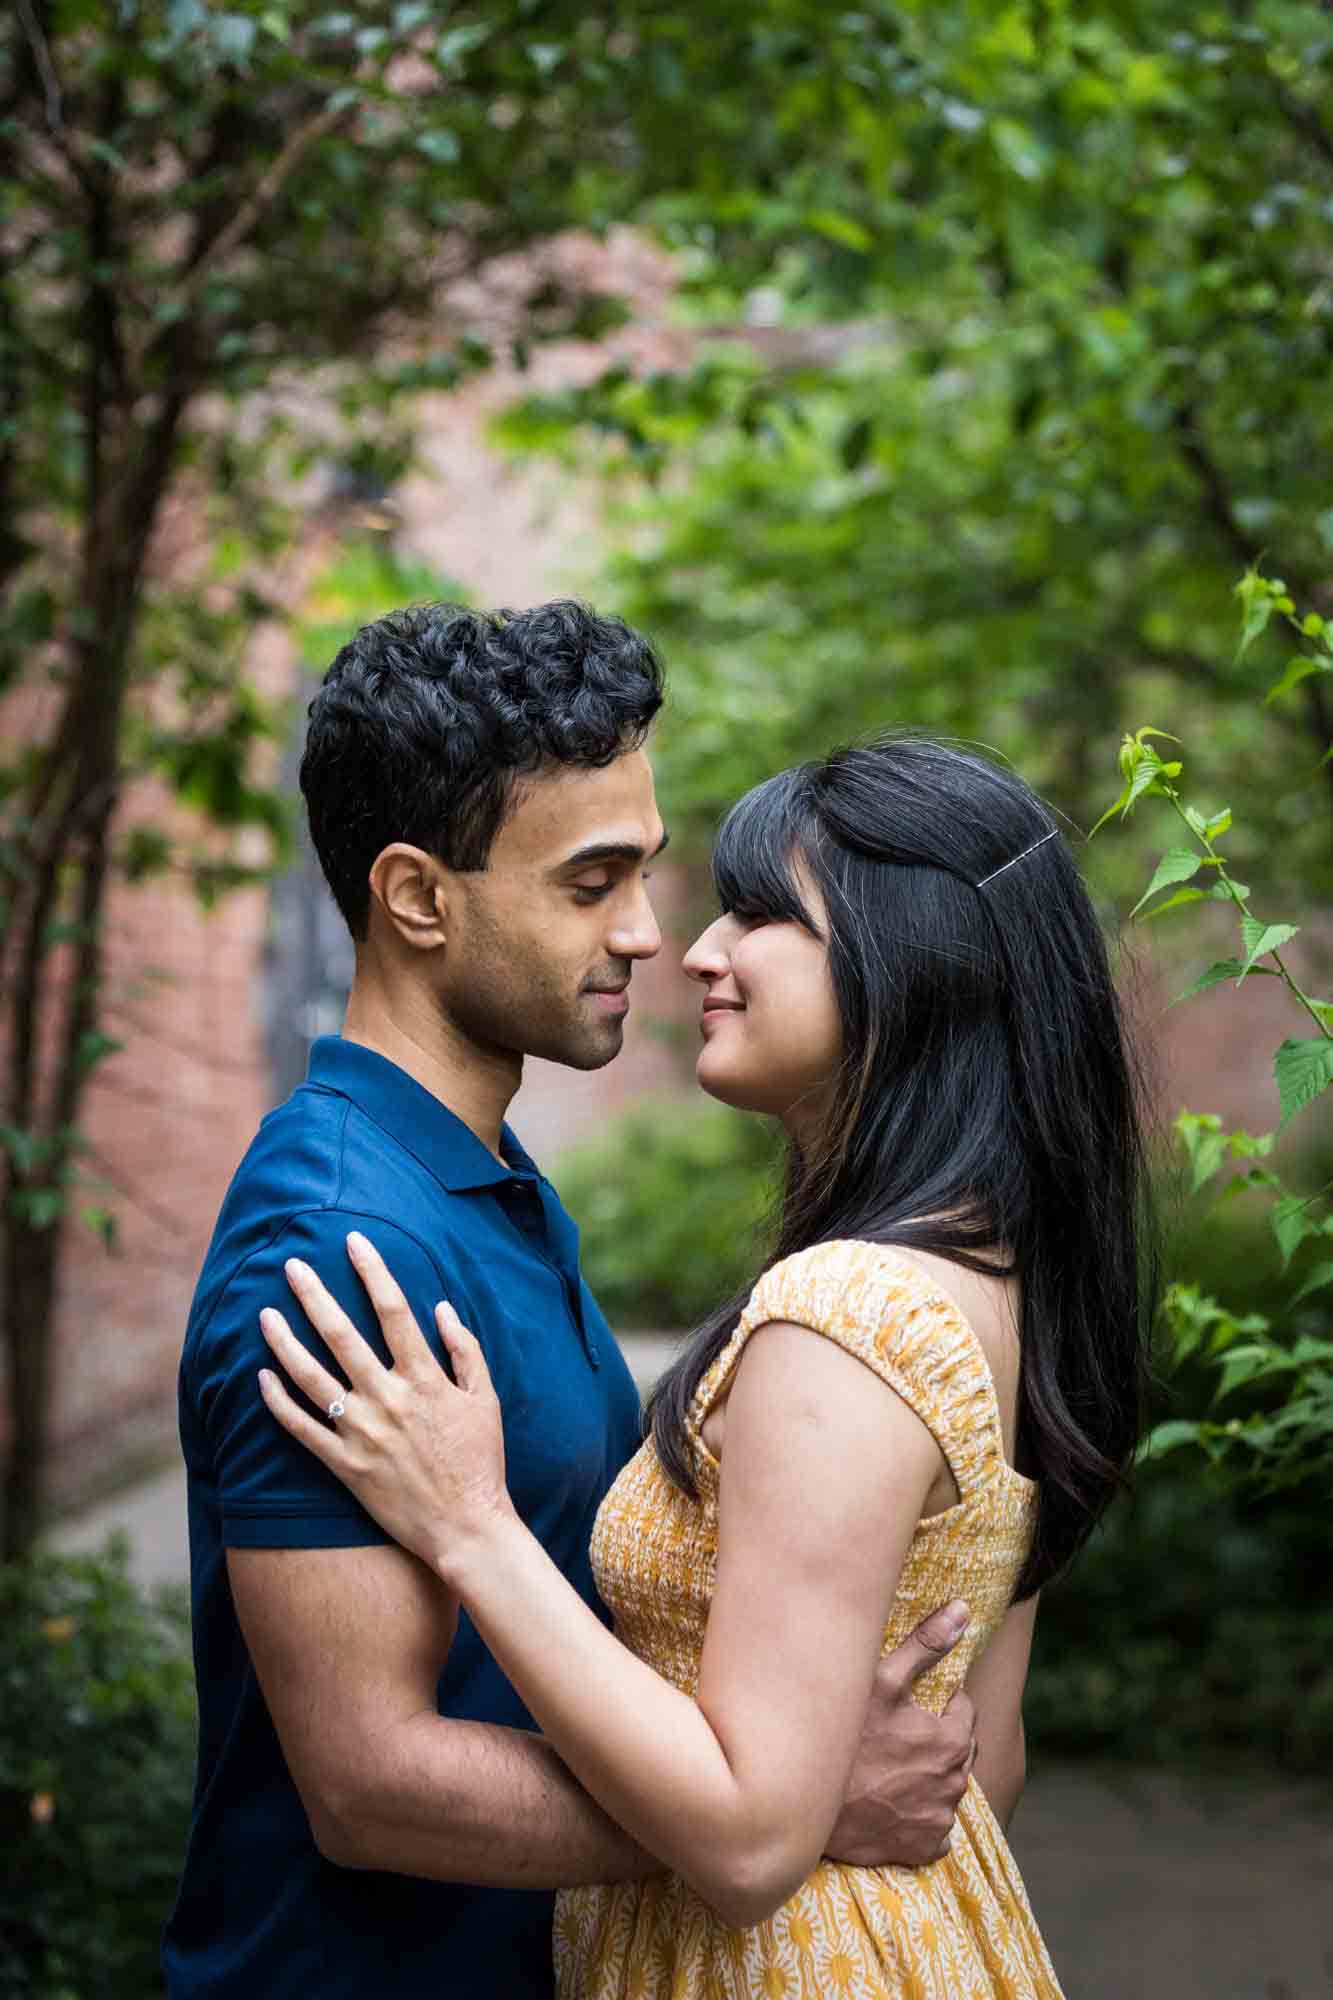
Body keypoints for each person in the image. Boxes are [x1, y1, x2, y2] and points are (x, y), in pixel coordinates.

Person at [257, 733, 1158, 1999]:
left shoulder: (844, 1315)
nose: (691, 949)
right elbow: (982, 1755)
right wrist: (821, 1803)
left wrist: (470, 1521)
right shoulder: (999, 1279)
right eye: (598, 884)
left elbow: (746, 1837)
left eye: (762, 913)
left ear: (913, 961)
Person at [164, 605, 980, 2000]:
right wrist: (785, 1815)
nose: (648, 936)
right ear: (417, 896)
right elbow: (371, 1780)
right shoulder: (342, 1245)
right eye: (590, 882)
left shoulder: (478, 1175)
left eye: (643, 872)